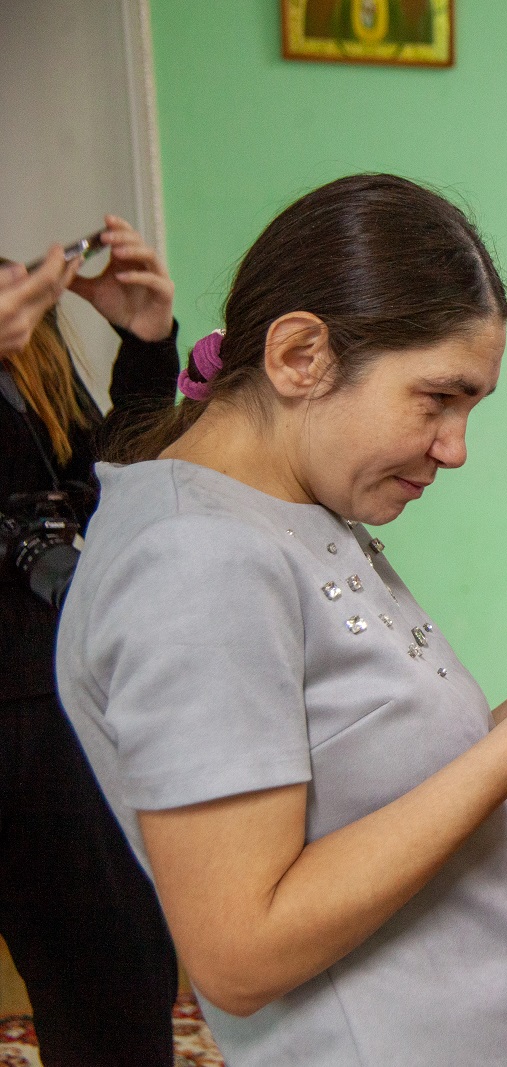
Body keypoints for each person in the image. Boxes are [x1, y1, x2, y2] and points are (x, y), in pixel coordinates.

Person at [54, 174, 507, 1067]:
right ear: (300, 355)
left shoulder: (288, 514)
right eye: (438, 398)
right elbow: (240, 952)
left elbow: (364, 799)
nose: (456, 447)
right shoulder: (196, 563)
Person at [0, 217, 181, 1067]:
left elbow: (106, 498)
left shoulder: (22, 326)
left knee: (116, 993)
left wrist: (145, 348)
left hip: (55, 716)